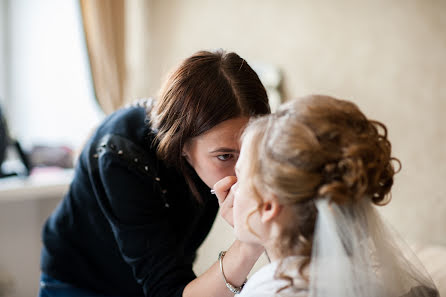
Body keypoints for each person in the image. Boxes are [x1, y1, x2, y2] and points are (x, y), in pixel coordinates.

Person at [38, 49, 270, 297]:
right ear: (181, 145)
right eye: (225, 156)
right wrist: (249, 241)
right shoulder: (121, 155)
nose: (243, 171)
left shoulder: (223, 152)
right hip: (82, 283)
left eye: (252, 150)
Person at [223, 95, 439, 297]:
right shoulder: (367, 283)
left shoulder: (269, 289)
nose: (232, 188)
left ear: (268, 206)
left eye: (240, 177)